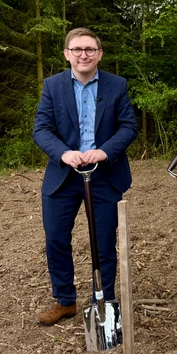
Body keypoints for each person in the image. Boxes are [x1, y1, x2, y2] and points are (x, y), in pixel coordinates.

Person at [32, 27, 138, 325]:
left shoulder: (117, 86)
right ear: (67, 54)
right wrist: (64, 154)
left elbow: (129, 127)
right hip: (63, 177)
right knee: (55, 239)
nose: (83, 54)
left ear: (99, 54)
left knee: (103, 243)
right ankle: (65, 301)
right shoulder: (53, 86)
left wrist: (104, 151)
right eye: (77, 49)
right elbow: (41, 129)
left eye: (89, 49)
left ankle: (102, 304)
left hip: (104, 176)